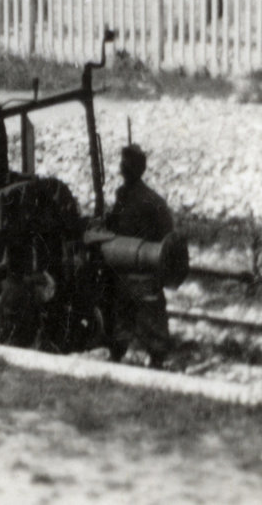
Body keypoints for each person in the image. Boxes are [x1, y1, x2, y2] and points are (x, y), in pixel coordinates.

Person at [105, 143, 177, 368]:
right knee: (124, 316)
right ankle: (120, 355)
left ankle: (153, 359)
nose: (123, 169)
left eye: (127, 164)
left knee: (147, 316)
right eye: (122, 164)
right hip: (125, 268)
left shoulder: (152, 202)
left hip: (143, 269)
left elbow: (167, 241)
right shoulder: (124, 196)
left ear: (137, 169)